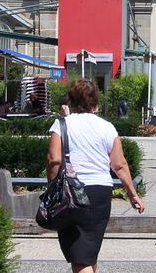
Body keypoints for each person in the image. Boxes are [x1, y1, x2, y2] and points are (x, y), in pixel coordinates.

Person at [47, 78, 145, 273]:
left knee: (80, 258)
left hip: (73, 194)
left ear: (71, 100)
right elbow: (119, 164)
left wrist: (52, 187)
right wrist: (132, 194)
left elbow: (54, 160)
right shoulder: (107, 127)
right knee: (89, 253)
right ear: (95, 102)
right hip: (101, 193)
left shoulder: (61, 125)